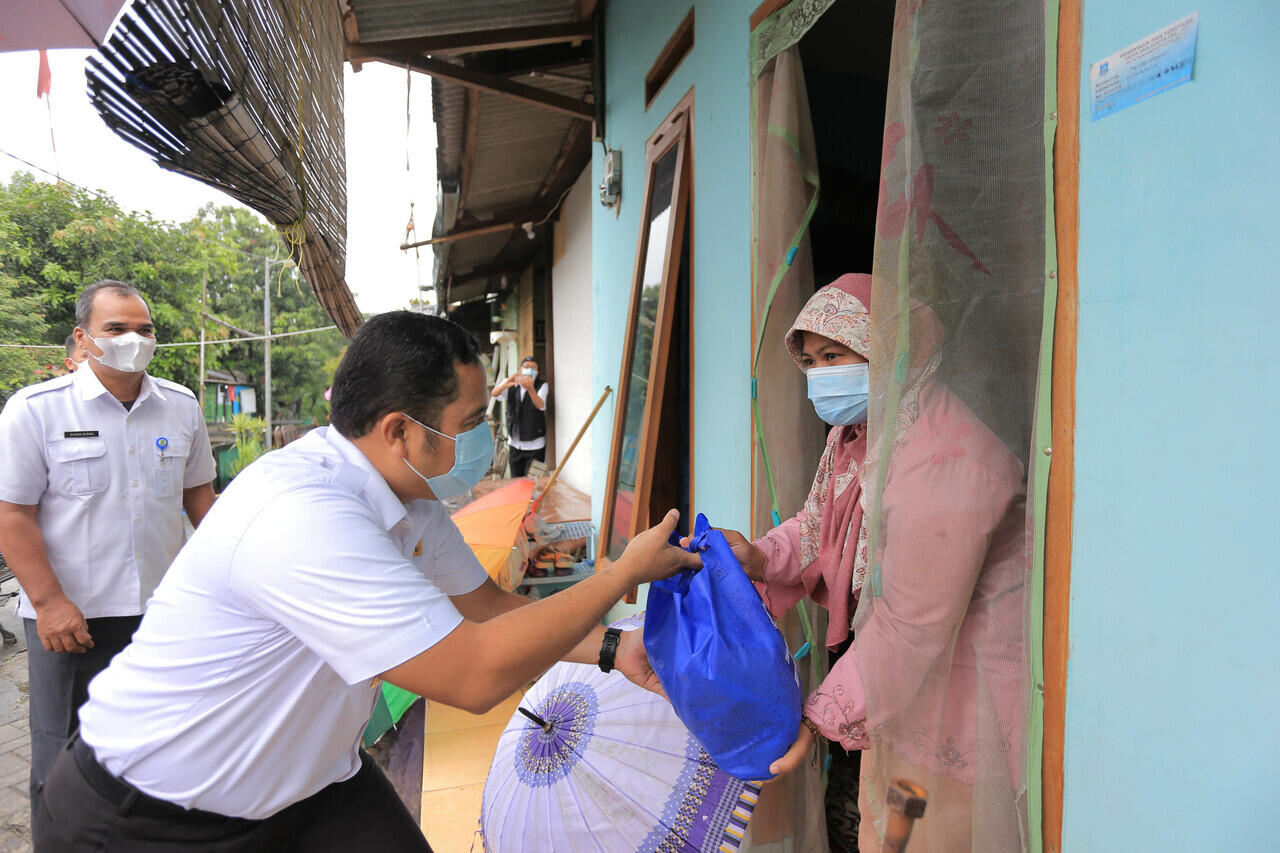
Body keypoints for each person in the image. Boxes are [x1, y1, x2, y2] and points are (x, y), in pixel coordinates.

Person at [36, 311, 699, 852]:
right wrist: (622, 573)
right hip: (145, 815)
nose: (484, 442)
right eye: (470, 424)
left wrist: (613, 650)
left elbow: (491, 610)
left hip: (311, 787)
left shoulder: (412, 502)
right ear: (399, 431)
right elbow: (474, 675)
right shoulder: (304, 514)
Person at [718, 274, 1026, 852]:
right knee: (894, 830)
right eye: (810, 361)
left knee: (939, 835)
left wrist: (815, 719)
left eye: (834, 355)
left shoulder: (945, 456)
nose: (820, 376)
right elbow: (818, 529)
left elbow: (913, 623)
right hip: (897, 680)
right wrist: (758, 556)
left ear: (889, 345)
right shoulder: (858, 435)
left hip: (962, 688)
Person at [0, 280, 217, 837]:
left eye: (144, 330)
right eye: (116, 329)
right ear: (82, 338)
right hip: (72, 622)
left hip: (160, 617)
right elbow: (13, 515)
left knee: (160, 746)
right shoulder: (35, 411)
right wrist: (48, 603)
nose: (133, 340)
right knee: (61, 755)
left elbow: (200, 501)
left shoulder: (181, 406)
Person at [490, 355, 548, 477]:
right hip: (515, 444)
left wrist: (531, 389)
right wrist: (507, 382)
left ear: (537, 372)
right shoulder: (511, 383)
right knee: (516, 479)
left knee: (532, 481)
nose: (530, 370)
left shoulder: (542, 385)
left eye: (533, 368)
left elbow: (541, 405)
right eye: (527, 367)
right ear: (520, 369)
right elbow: (494, 393)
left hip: (535, 445)